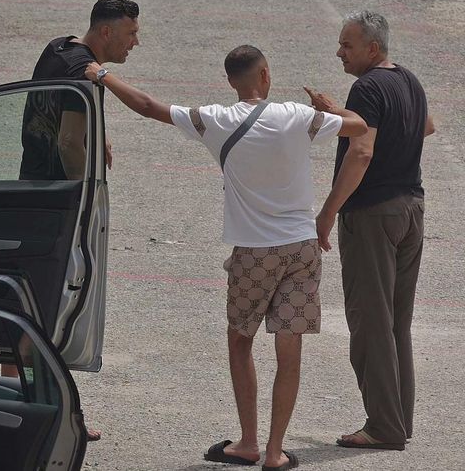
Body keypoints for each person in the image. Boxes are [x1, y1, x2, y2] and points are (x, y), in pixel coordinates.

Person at [86, 47, 368, 471]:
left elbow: (149, 107)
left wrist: (102, 74)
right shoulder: (296, 116)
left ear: (231, 82)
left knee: (241, 340)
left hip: (253, 251)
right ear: (266, 75)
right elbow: (358, 127)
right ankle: (275, 452)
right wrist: (327, 107)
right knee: (288, 349)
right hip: (301, 246)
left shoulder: (216, 120)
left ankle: (248, 442)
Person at [307, 10, 435, 451]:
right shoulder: (408, 80)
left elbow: (361, 152)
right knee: (396, 323)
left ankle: (383, 426)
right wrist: (338, 113)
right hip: (411, 209)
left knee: (370, 322)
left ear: (372, 49)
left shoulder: (367, 86)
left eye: (347, 45)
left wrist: (327, 212)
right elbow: (426, 127)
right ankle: (398, 421)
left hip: (373, 214)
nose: (339, 52)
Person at [20, 0, 139, 182]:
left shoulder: (57, 46)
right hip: (56, 196)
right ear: (106, 32)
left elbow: (57, 108)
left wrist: (96, 131)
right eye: (131, 34)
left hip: (30, 180)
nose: (136, 42)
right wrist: (88, 194)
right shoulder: (86, 75)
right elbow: (69, 144)